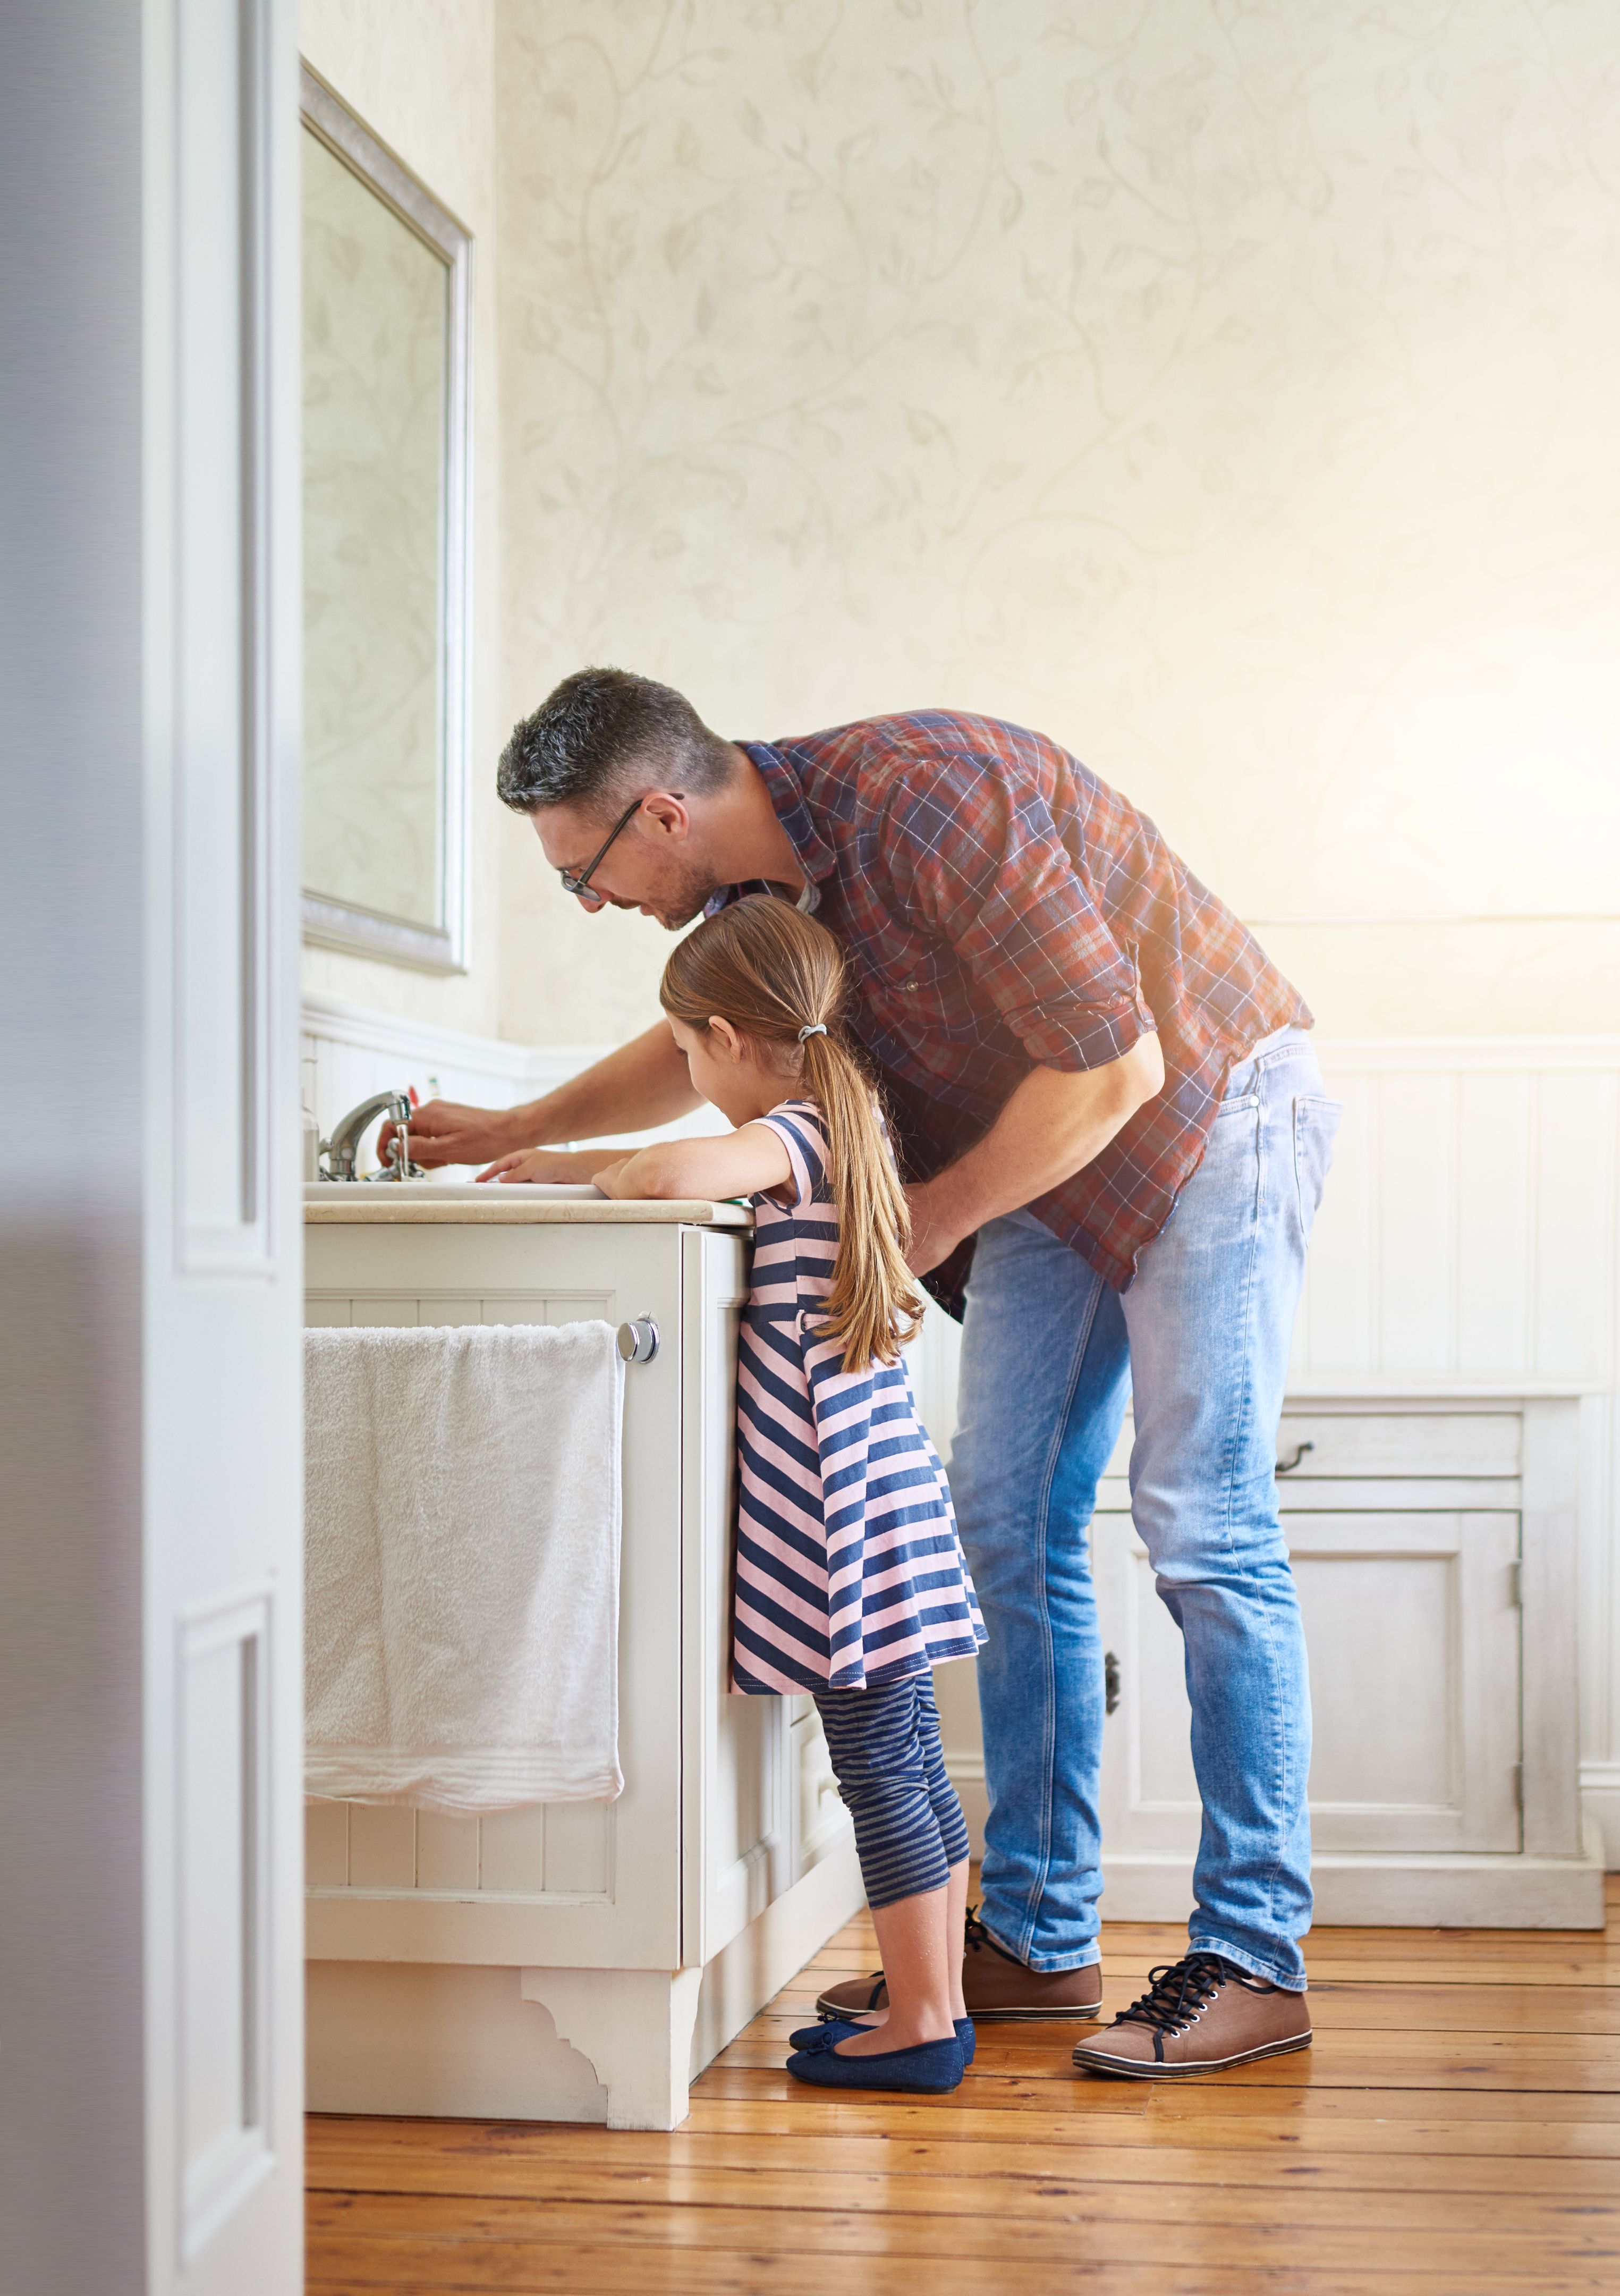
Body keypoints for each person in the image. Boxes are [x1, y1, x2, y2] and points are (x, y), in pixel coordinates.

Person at [401, 666, 1341, 2080]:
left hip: (1207, 1110)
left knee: (1200, 1528)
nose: (590, 904)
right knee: (1001, 1525)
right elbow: (708, 1043)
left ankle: (1257, 1956)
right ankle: (1032, 1933)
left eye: (585, 870)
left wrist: (917, 1226)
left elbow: (1117, 1068)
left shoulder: (925, 803)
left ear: (659, 812)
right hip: (1049, 1151)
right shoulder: (757, 903)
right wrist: (512, 1130)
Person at [524, 897, 986, 2095]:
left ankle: (925, 2021)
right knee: (910, 1754)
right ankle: (929, 2003)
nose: (688, 1074)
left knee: (880, 1762)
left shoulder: (791, 1133)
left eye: (685, 1055)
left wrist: (607, 1168)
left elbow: (674, 1170)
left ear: (728, 1035)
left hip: (829, 1505)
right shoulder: (851, 1118)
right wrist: (570, 1160)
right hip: (875, 1486)